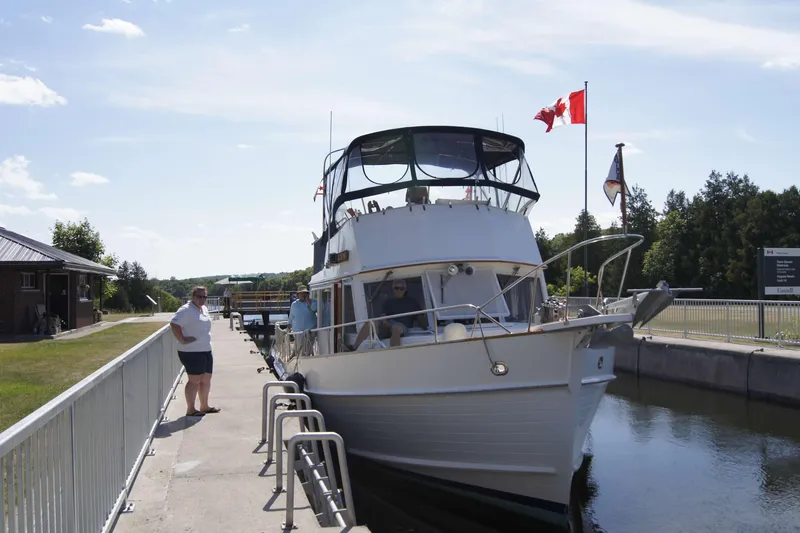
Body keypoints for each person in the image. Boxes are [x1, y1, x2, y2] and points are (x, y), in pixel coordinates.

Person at [170, 286, 220, 417]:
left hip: (205, 349)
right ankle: (191, 409)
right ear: (193, 297)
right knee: (194, 380)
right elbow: (174, 324)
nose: (202, 299)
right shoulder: (186, 310)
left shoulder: (203, 309)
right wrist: (182, 339)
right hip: (191, 351)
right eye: (199, 296)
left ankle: (204, 406)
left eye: (204, 296)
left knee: (206, 379)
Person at [346, 279, 427, 349]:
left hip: (402, 325)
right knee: (370, 323)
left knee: (396, 328)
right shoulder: (388, 302)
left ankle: (394, 353)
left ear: (405, 290)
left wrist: (426, 325)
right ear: (393, 289)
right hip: (388, 324)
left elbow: (419, 317)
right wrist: (384, 321)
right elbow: (383, 314)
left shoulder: (412, 302)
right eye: (397, 288)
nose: (399, 290)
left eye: (401, 288)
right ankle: (354, 347)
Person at [288, 285, 317, 356]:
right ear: (298, 295)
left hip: (310, 330)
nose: (303, 295)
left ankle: (307, 358)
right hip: (298, 331)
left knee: (308, 348)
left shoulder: (313, 302)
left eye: (305, 293)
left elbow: (314, 309)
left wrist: (308, 301)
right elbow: (291, 316)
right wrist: (289, 325)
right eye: (301, 293)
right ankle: (295, 356)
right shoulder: (294, 304)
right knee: (298, 347)